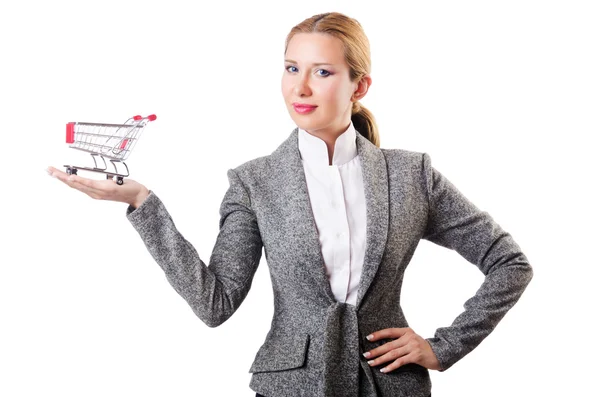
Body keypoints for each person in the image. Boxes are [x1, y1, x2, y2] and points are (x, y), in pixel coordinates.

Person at [47, 11, 533, 397]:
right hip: (290, 388)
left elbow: (510, 263)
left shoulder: (411, 175)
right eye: (291, 68)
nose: (300, 88)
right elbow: (214, 304)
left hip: (391, 388)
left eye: (322, 72)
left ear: (358, 86)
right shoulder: (254, 183)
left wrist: (443, 347)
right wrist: (142, 203)